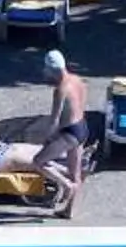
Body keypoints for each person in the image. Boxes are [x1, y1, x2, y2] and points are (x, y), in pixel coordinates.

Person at [37, 49, 88, 217]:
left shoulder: (60, 89)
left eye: (47, 71)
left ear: (53, 70)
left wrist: (47, 140)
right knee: (76, 173)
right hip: (82, 128)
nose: (46, 74)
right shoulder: (78, 80)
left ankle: (66, 185)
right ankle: (69, 211)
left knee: (38, 161)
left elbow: (54, 120)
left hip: (69, 133)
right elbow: (81, 104)